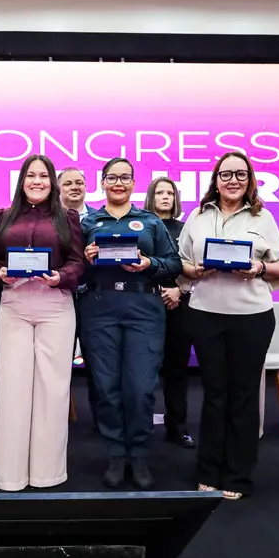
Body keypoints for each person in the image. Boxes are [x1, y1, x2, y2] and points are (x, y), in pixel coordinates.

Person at [177, 151, 279, 500]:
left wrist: (258, 269)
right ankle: (208, 471)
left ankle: (238, 476)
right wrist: (196, 270)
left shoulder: (263, 217)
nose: (233, 180)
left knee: (243, 396)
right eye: (226, 174)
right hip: (205, 314)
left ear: (249, 180)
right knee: (214, 395)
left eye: (241, 174)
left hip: (252, 318)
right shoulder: (197, 216)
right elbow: (181, 263)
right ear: (216, 179)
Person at [80, 157, 181, 490]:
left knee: (140, 388)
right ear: (102, 183)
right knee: (106, 388)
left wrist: (149, 263)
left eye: (125, 178)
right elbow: (74, 271)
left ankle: (138, 454)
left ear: (134, 184)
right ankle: (116, 454)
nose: (118, 183)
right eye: (112, 177)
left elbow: (174, 264)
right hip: (100, 309)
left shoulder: (150, 222)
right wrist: (86, 260)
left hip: (143, 309)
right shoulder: (88, 222)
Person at [0, 154, 86, 491]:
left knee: (52, 390)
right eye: (31, 175)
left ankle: (47, 475)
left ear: (52, 182)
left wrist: (61, 276)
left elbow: (77, 262)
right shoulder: (3, 217)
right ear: (22, 180)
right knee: (12, 389)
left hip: (55, 305)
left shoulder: (67, 218)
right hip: (14, 303)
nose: (37, 181)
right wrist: (0, 272)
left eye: (44, 176)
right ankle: (10, 476)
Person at [144, 177, 195, 449]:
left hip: (180, 304)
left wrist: (178, 290)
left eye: (170, 193)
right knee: (144, 371)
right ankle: (141, 426)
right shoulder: (141, 225)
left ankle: (178, 427)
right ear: (150, 197)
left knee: (176, 370)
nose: (165, 197)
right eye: (160, 193)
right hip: (146, 305)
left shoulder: (186, 228)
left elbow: (193, 265)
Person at [58, 167, 98, 429]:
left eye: (80, 183)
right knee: (58, 362)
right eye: (68, 183)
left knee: (97, 362)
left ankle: (102, 421)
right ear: (58, 188)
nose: (75, 187)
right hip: (59, 296)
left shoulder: (99, 218)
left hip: (93, 298)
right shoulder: (50, 220)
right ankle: (57, 417)